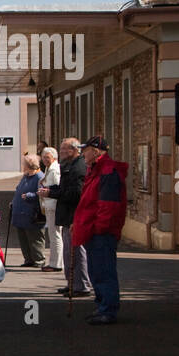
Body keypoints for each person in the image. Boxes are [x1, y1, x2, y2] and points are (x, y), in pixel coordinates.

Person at [72, 135, 129, 325]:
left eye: (85, 150)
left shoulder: (107, 172)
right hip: (93, 231)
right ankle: (102, 306)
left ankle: (108, 309)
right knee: (97, 271)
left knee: (104, 271)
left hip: (101, 233)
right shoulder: (97, 170)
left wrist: (99, 229)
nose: (82, 154)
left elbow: (108, 206)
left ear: (95, 151)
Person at [39, 137, 91, 297]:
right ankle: (72, 283)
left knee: (76, 252)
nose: (60, 152)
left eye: (63, 149)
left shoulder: (78, 167)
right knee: (69, 253)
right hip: (67, 215)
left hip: (74, 215)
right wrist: (51, 190)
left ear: (74, 150)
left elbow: (76, 193)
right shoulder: (69, 166)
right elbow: (63, 187)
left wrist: (52, 193)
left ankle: (80, 285)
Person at [12, 154, 46, 267]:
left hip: (32, 213)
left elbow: (42, 193)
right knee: (24, 237)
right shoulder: (26, 176)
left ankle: (39, 259)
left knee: (35, 237)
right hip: (21, 213)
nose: (23, 166)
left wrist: (30, 195)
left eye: (24, 164)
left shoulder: (39, 177)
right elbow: (18, 189)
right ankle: (28, 259)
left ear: (29, 165)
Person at [38, 146, 62, 271]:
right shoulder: (49, 168)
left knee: (55, 234)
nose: (45, 159)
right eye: (43, 157)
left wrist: (47, 191)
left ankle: (56, 264)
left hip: (53, 205)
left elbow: (58, 187)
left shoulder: (55, 170)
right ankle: (55, 262)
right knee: (53, 234)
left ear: (54, 158)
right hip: (49, 204)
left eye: (47, 157)